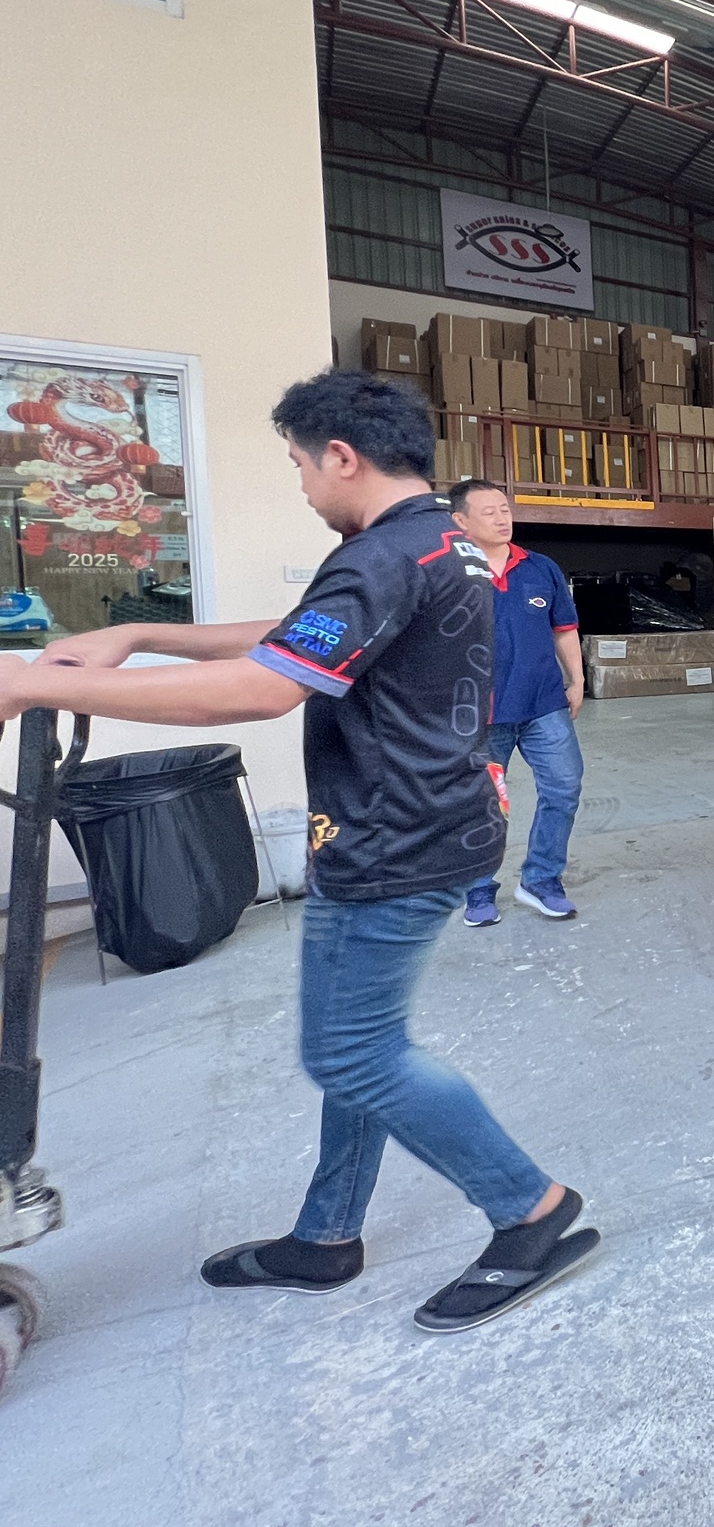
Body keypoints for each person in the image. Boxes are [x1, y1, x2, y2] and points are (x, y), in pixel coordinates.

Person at [0, 371, 595, 1330]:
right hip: (436, 822)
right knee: (364, 1047)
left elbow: (264, 687)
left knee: (352, 1053)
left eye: (300, 466)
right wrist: (140, 634)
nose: (304, 486)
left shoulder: (383, 556)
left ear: (342, 457)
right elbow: (298, 637)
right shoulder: (441, 542)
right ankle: (326, 1237)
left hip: (393, 840)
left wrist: (31, 685)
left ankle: (531, 1209)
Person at [447, 479, 584, 926]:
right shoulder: (448, 573)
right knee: (483, 804)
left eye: (504, 509)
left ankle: (542, 879)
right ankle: (478, 889)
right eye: (488, 512)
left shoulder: (540, 567)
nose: (502, 518)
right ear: (461, 521)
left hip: (544, 703)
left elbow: (564, 628)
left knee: (564, 787)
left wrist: (577, 680)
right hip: (481, 714)